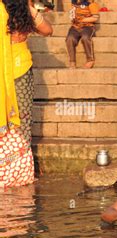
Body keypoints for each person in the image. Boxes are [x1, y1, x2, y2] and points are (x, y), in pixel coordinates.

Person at [0, 0, 52, 189]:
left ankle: (3, 172)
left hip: (7, 75)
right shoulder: (24, 10)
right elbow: (47, 30)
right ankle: (21, 171)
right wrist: (31, 9)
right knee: (22, 120)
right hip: (20, 71)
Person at [65, 0, 100, 69]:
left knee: (85, 38)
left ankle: (90, 60)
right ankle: (72, 61)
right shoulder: (74, 2)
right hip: (75, 26)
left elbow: (95, 17)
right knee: (69, 39)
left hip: (88, 26)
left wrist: (83, 20)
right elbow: (73, 12)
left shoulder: (90, 3)